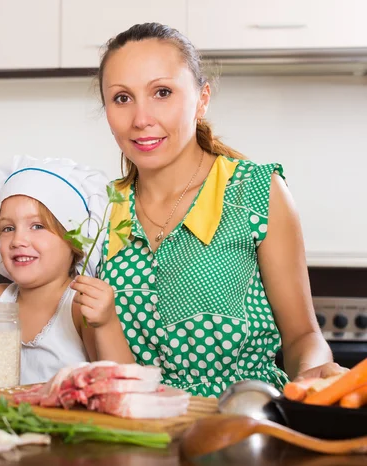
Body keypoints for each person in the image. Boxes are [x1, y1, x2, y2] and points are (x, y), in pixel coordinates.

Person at [93, 22, 345, 397]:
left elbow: (302, 336)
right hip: (133, 436)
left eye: (162, 92)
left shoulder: (258, 192)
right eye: (122, 98)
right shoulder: (99, 208)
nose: (141, 119)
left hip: (242, 425)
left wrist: (312, 372)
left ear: (202, 99)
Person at [0, 156, 134, 385]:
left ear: (74, 241)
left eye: (37, 226)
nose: (18, 240)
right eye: (8, 228)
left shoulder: (78, 307)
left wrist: (107, 323)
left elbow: (125, 385)